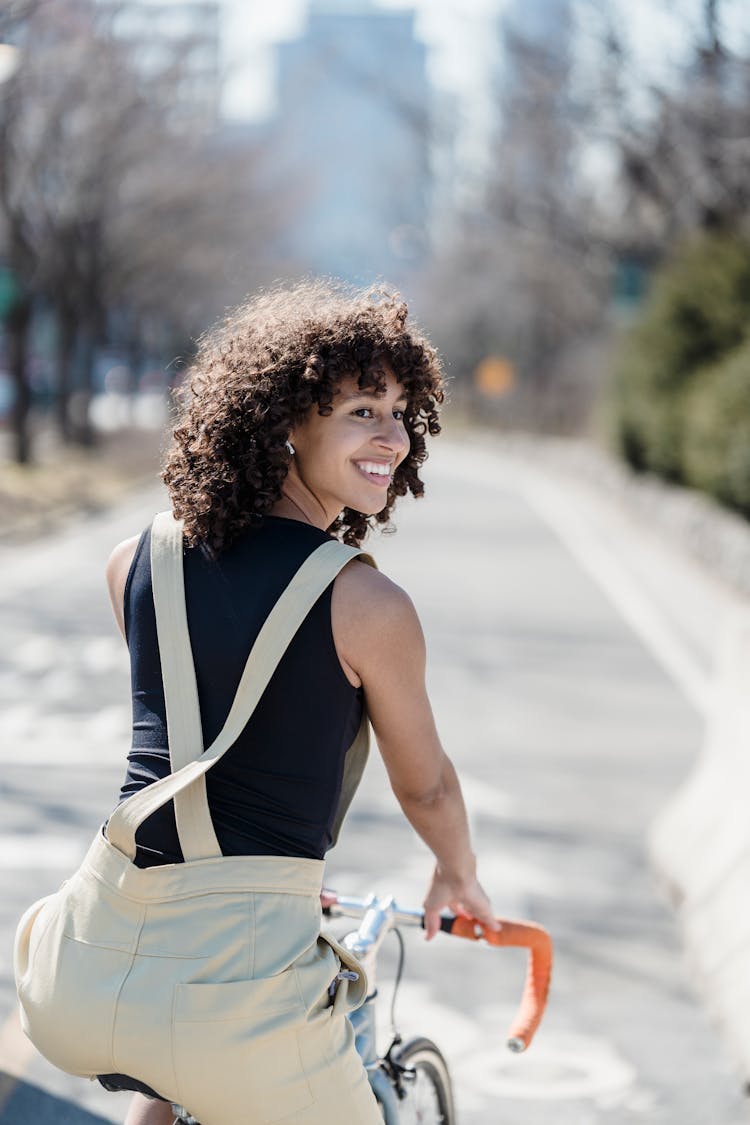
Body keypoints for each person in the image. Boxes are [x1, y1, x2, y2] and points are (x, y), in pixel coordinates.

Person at [101, 280, 498, 1125]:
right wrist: (458, 872)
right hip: (248, 963)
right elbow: (425, 788)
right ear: (287, 421)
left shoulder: (134, 562)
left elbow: (188, 731)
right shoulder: (367, 607)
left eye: (401, 411)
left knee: (166, 1087)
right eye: (362, 409)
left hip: (118, 950)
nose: (393, 436)